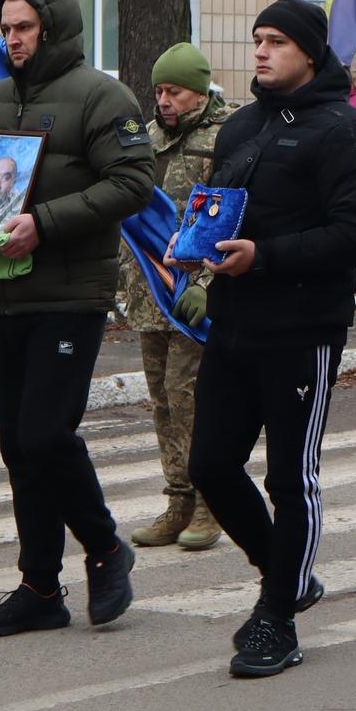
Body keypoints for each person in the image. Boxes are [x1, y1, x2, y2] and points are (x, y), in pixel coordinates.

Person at [178, 0, 356, 679]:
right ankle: (286, 572)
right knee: (209, 464)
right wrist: (192, 246)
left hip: (303, 327)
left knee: (289, 475)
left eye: (275, 41)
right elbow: (216, 208)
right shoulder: (242, 125)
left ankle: (277, 615)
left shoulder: (343, 128)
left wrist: (263, 254)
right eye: (256, 39)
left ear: (310, 51)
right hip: (233, 319)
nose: (261, 51)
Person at [0, 0, 154, 639]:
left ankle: (105, 547)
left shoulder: (102, 96)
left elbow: (132, 181)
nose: (12, 38)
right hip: (7, 287)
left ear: (53, 29)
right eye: (6, 27)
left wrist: (44, 221)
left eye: (24, 27)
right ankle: (40, 584)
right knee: (18, 445)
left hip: (71, 292)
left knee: (45, 434)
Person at [122, 42, 231, 552]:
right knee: (163, 398)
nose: (164, 100)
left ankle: (212, 504)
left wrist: (209, 286)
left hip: (196, 292)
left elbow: (228, 217)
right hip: (151, 292)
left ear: (200, 91)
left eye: (176, 91)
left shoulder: (224, 138)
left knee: (191, 395)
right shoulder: (145, 141)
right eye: (159, 90)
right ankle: (178, 499)